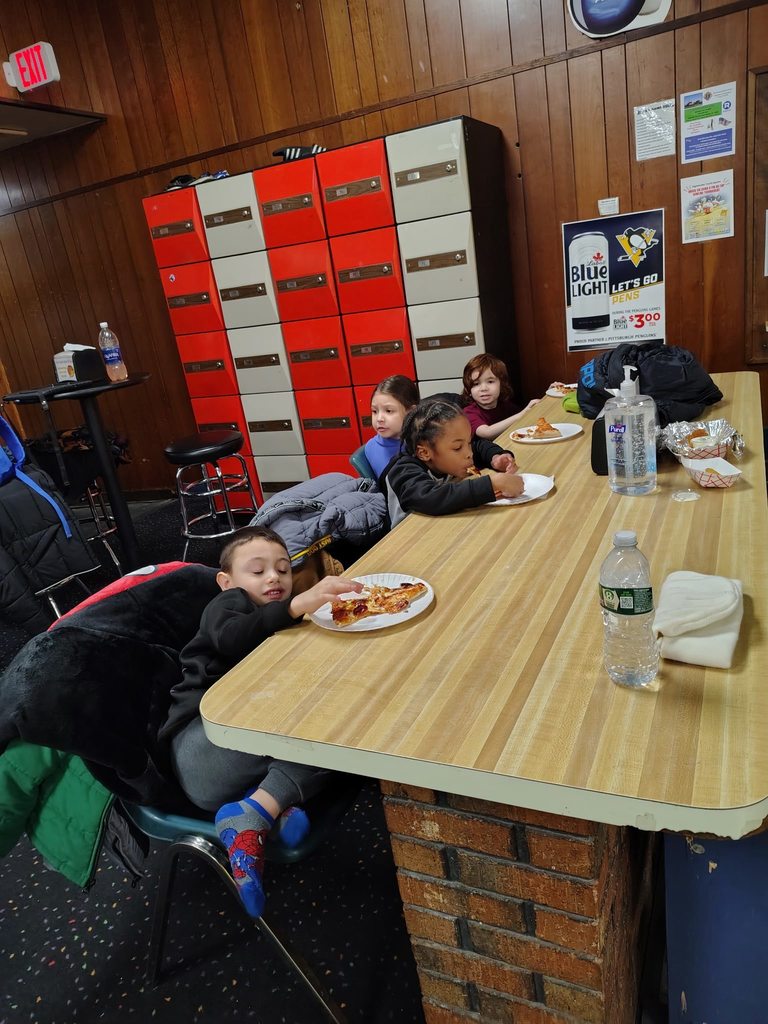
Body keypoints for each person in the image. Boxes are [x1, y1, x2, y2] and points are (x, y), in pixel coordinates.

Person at [160, 525, 362, 918]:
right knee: (330, 733)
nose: (274, 577)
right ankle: (257, 812)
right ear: (226, 581)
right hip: (199, 751)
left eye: (284, 569)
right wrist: (295, 605)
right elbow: (233, 638)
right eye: (258, 571)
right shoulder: (228, 606)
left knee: (344, 732)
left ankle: (261, 807)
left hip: (241, 758)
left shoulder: (276, 619)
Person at [385, 399, 524, 527]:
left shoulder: (448, 457)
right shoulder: (403, 471)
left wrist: (495, 457)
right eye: (458, 448)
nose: (469, 453)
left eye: (468, 443)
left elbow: (479, 446)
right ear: (424, 453)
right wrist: (491, 484)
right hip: (408, 540)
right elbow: (431, 498)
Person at [461, 353, 540, 439]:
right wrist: (522, 414)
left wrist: (550, 393)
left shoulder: (507, 407)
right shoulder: (468, 413)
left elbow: (528, 422)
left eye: (490, 382)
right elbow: (487, 432)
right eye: (476, 384)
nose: (483, 388)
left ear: (501, 384)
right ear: (469, 390)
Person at [363, 374, 419, 480]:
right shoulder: (371, 448)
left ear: (411, 412)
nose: (379, 418)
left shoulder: (424, 441)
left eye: (388, 411)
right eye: (374, 411)